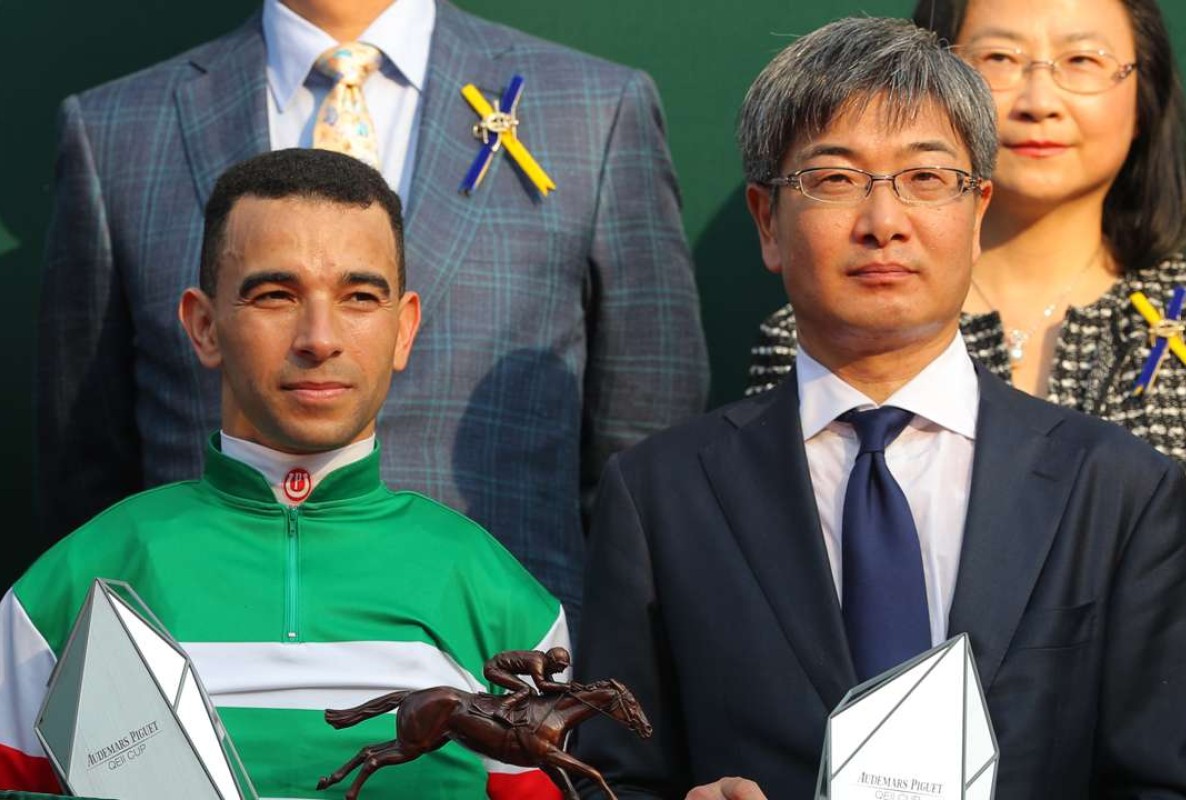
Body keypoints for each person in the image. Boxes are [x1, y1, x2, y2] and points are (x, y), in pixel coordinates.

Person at [573, 17, 1186, 800]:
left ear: (976, 214)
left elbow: (1163, 781)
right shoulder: (660, 495)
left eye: (927, 179)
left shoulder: (1122, 490)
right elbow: (609, 775)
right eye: (835, 180)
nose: (884, 222)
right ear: (768, 222)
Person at [38, 0, 709, 629]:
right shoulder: (116, 129)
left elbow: (648, 452)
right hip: (193, 667)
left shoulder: (593, 110)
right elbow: (85, 464)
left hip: (503, 688)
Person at [3, 149, 570, 799]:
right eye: (276, 295)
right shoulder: (69, 583)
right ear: (205, 325)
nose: (319, 337)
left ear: (403, 329)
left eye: (359, 296)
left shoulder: (502, 598)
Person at [747, 0, 1186, 499]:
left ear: (1144, 96)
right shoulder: (823, 328)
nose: (1039, 101)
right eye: (999, 58)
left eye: (1082, 60)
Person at [484, 647, 572, 721]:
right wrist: (565, 686)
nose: (561, 671)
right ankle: (502, 709)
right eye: (560, 667)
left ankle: (518, 713)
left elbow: (550, 685)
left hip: (500, 668)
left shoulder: (544, 663)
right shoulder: (537, 661)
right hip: (494, 669)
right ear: (552, 661)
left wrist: (570, 688)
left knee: (532, 692)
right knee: (525, 689)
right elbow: (541, 685)